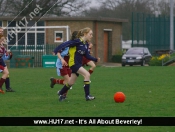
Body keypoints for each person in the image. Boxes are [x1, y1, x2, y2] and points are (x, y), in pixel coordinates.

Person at [53, 27, 100, 101]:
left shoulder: (85, 44)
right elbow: (66, 43)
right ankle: (87, 96)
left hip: (78, 64)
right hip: (74, 64)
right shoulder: (77, 41)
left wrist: (95, 59)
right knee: (87, 74)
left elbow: (87, 56)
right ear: (85, 34)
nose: (92, 36)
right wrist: (57, 50)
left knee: (71, 82)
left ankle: (61, 93)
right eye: (90, 34)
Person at [50, 31, 78, 97]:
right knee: (68, 82)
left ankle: (55, 81)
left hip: (69, 65)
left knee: (69, 82)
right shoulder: (67, 44)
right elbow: (58, 52)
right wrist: (62, 60)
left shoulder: (77, 45)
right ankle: (62, 94)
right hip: (61, 64)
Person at [0, 27, 15, 92]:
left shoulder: (2, 43)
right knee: (6, 73)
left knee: (6, 72)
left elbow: (4, 55)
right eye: (0, 31)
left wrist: (9, 55)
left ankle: (7, 87)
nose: (1, 32)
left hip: (1, 60)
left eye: (2, 31)